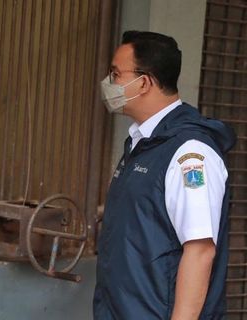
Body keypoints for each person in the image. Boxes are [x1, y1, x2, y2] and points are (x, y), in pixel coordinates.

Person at [94, 30, 236, 319]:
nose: (109, 83)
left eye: (116, 74)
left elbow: (200, 251)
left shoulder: (190, 154)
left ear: (144, 82)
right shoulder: (143, 143)